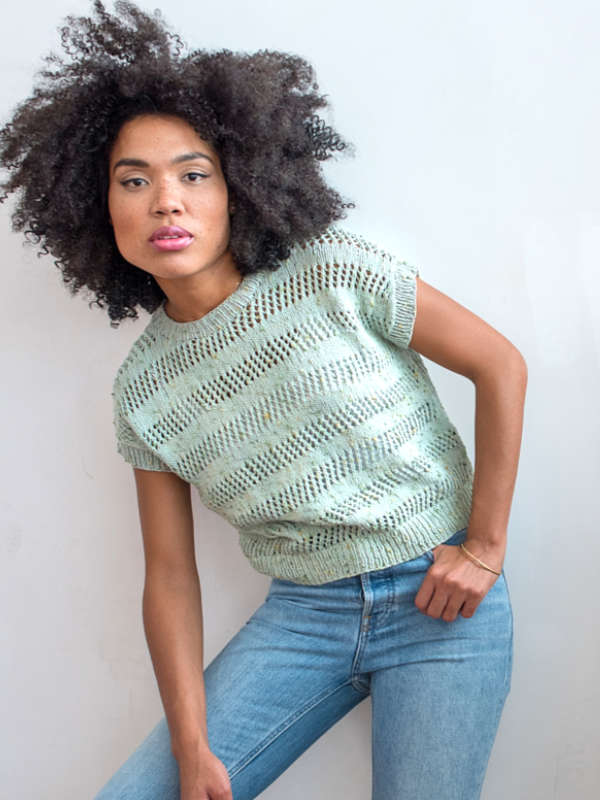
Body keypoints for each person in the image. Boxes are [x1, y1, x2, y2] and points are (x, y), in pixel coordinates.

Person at [0, 2, 527, 798]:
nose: (166, 201)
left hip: (440, 601)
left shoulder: (332, 270)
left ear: (237, 186)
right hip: (304, 618)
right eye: (134, 181)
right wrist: (192, 748)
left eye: (193, 174)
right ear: (94, 205)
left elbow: (500, 364)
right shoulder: (144, 390)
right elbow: (169, 576)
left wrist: (483, 545)